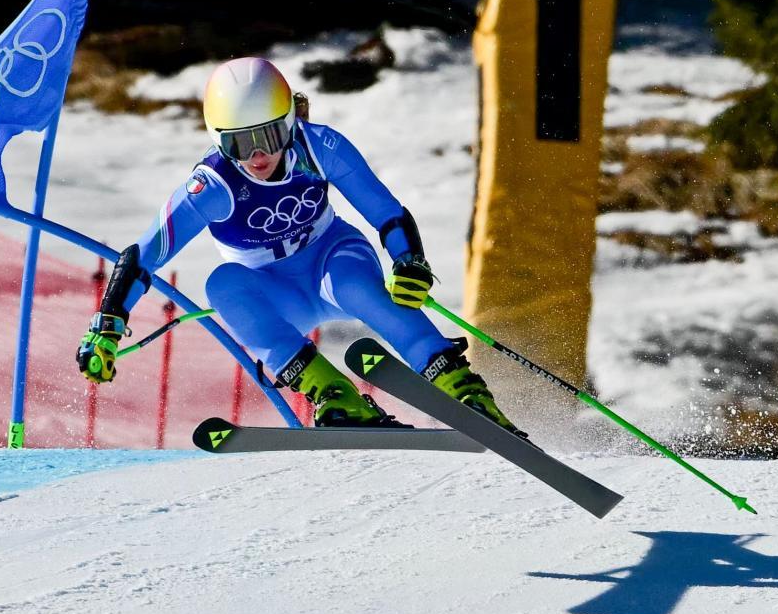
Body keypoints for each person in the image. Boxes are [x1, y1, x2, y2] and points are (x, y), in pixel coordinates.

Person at [77, 56, 525, 438]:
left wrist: (410, 261)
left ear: (289, 121)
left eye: (268, 136)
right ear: (218, 140)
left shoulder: (320, 146)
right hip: (275, 293)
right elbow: (144, 255)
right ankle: (334, 394)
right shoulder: (212, 185)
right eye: (240, 142)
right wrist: (109, 321)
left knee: (354, 285)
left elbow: (385, 210)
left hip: (333, 259)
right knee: (223, 285)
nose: (257, 155)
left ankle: (461, 387)